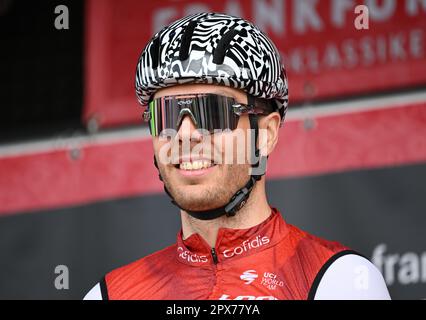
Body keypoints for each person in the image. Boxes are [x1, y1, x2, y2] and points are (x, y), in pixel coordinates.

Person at [84, 12, 390, 300]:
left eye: (212, 112)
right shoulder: (109, 294)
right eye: (166, 115)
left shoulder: (341, 281)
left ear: (266, 134)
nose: (186, 134)